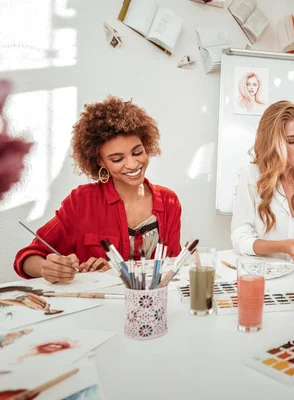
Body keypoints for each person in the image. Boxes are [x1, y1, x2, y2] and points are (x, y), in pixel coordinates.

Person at [14, 96, 182, 283]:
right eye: (117, 159)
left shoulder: (169, 201)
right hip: (97, 305)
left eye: (137, 152)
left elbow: (173, 266)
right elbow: (28, 257)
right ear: (100, 162)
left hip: (151, 304)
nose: (133, 164)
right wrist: (48, 268)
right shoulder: (82, 201)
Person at [231, 100, 294, 262]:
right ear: (273, 144)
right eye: (292, 141)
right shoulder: (251, 176)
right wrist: (281, 246)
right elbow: (240, 239)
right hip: (266, 280)